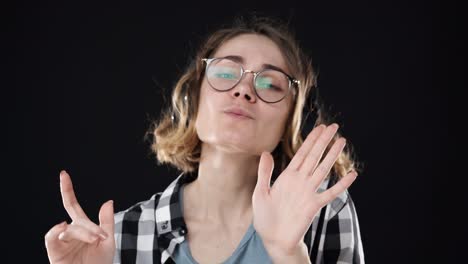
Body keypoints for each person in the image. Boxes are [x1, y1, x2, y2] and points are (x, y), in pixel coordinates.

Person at [45, 15, 365, 264]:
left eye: (270, 84)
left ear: (289, 119)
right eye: (226, 73)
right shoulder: (118, 236)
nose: (243, 90)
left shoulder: (321, 211)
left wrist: (288, 253)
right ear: (194, 98)